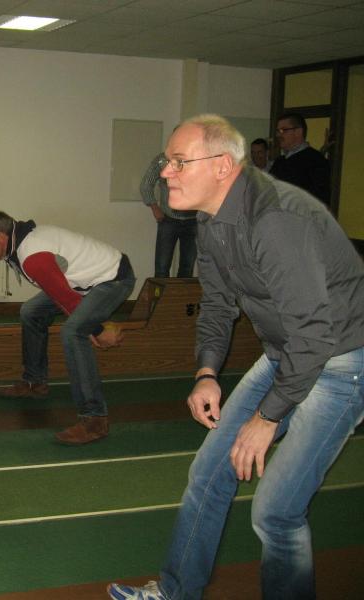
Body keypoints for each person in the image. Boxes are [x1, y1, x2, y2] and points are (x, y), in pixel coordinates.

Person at [107, 115, 364, 600]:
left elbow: (314, 335)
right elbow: (218, 303)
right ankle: (177, 592)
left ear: (223, 166)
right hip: (287, 352)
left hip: (340, 362)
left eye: (179, 162)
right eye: (166, 162)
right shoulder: (211, 219)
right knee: (208, 474)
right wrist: (207, 372)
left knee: (276, 512)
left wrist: (267, 418)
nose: (165, 173)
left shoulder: (276, 220)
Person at [0, 210, 135, 446]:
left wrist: (98, 330)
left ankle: (94, 419)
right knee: (30, 311)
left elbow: (66, 299)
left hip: (112, 279)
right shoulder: (19, 243)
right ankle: (34, 382)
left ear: (0, 237)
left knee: (73, 332)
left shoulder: (32, 256)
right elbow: (60, 291)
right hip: (80, 284)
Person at [140, 152, 197, 278]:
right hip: (168, 219)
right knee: (162, 268)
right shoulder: (162, 159)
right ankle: (160, 292)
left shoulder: (198, 158)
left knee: (187, 269)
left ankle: (180, 292)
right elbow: (146, 185)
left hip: (193, 220)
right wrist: (154, 207)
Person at [269, 112, 331, 205]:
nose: (278, 135)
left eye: (283, 130)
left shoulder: (316, 161)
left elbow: (319, 201)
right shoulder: (279, 162)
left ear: (298, 132)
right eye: (277, 131)